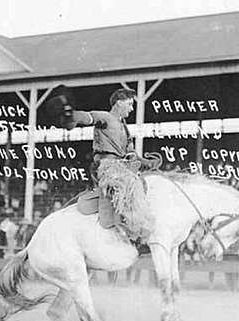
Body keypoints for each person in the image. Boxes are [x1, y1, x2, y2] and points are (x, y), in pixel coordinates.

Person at [48, 88, 160, 237]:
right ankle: (129, 228)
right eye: (130, 104)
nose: (132, 109)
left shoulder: (124, 128)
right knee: (131, 184)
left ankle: (131, 226)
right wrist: (70, 115)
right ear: (119, 103)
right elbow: (88, 117)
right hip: (107, 167)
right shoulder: (106, 117)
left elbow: (131, 153)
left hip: (121, 167)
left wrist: (147, 162)